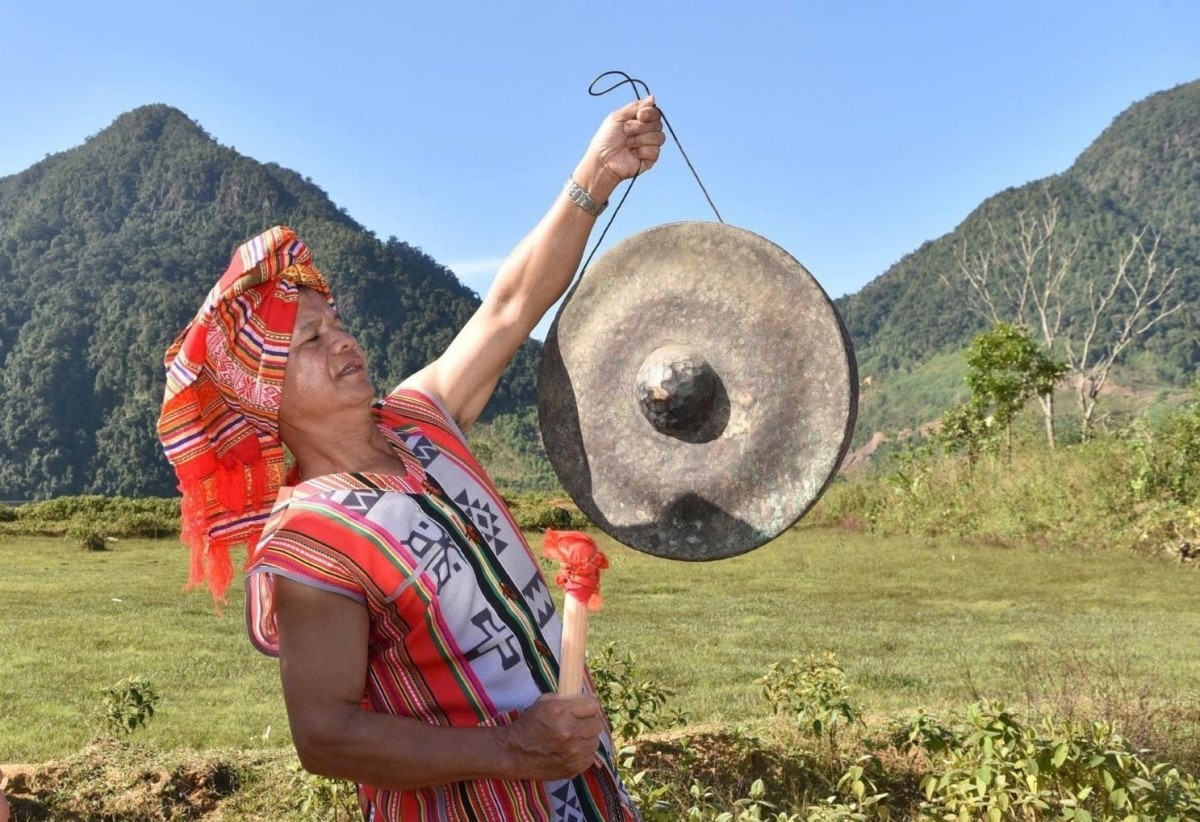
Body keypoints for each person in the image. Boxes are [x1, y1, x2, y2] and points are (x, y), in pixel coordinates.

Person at [157, 97, 663, 821]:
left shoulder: (420, 420)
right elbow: (325, 736)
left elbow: (511, 307)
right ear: (266, 394)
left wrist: (596, 175)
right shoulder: (310, 544)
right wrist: (513, 749)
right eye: (310, 341)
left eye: (336, 322)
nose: (343, 340)